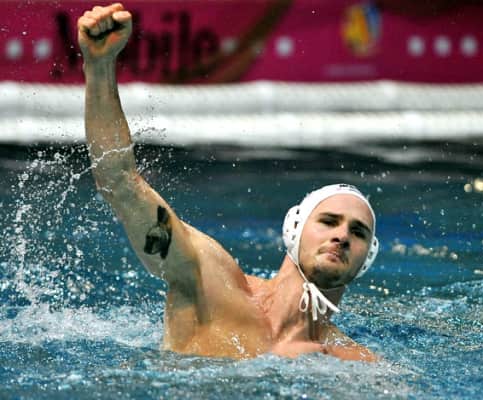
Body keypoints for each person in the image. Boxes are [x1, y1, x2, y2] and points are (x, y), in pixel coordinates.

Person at [78, 3, 379, 361]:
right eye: (328, 221)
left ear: (368, 258)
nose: (342, 236)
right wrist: (100, 67)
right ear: (294, 228)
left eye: (358, 232)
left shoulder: (354, 361)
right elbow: (119, 182)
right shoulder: (209, 280)